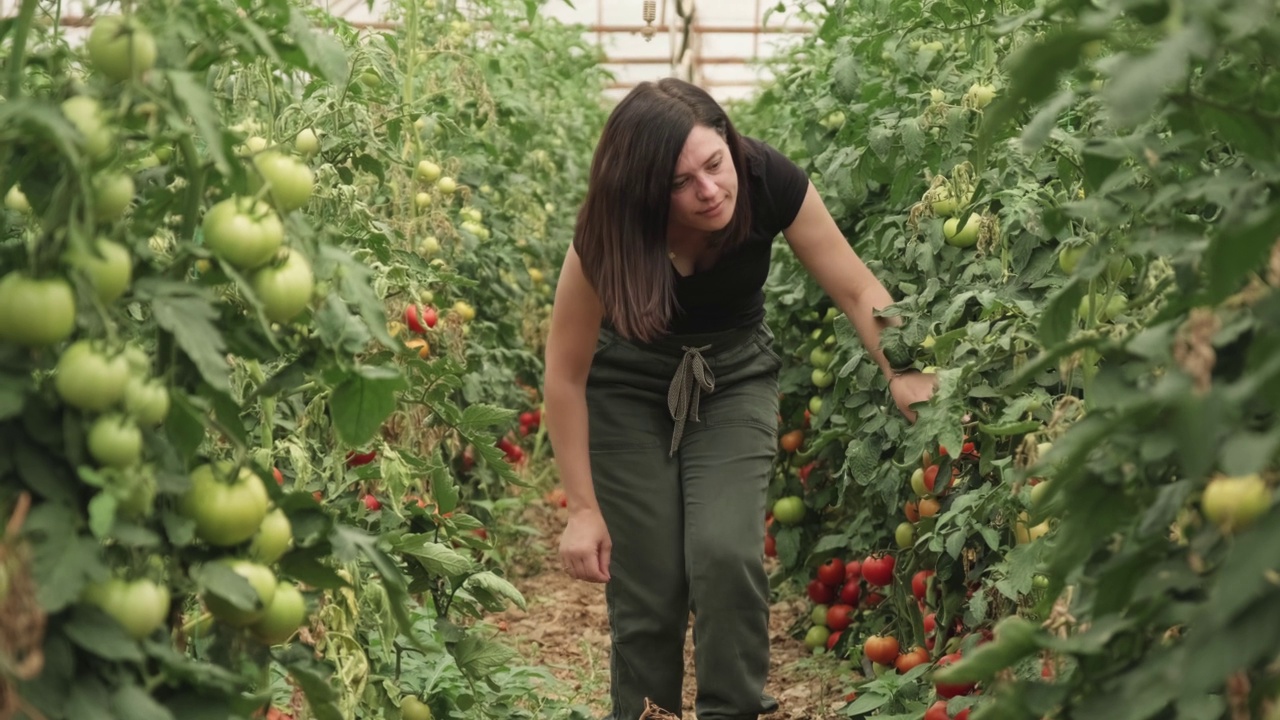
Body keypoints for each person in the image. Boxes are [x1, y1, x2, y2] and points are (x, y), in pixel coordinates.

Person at [541, 77, 937, 720]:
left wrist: (905, 366)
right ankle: (645, 712)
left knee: (726, 554)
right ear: (644, 190)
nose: (709, 189)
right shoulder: (608, 231)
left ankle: (732, 709)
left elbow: (855, 286)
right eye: (679, 183)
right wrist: (581, 507)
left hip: (732, 379)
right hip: (628, 388)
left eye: (714, 163)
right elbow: (564, 373)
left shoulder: (767, 179)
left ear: (729, 141)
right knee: (650, 580)